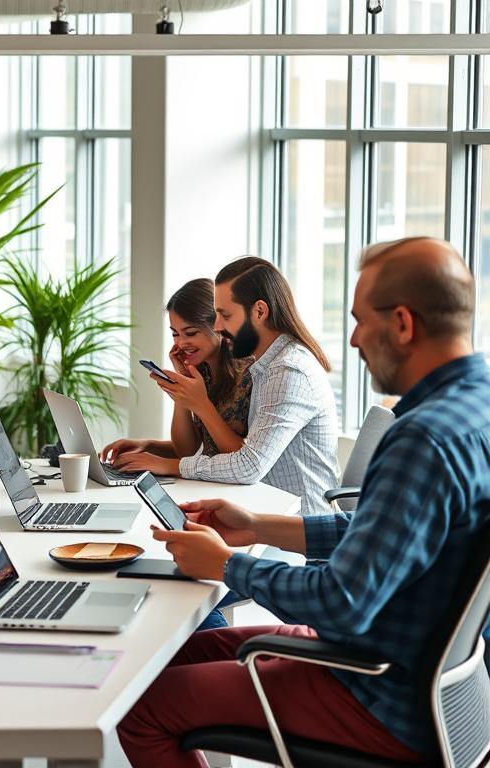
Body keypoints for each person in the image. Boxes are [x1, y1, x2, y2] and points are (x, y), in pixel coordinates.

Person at [117, 237, 489, 766]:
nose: (355, 339)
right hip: (423, 678)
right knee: (171, 654)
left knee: (141, 704)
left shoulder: (423, 439)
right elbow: (382, 532)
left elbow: (342, 601)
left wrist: (228, 565)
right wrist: (260, 526)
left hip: (377, 689)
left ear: (403, 324)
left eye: (362, 321)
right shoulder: (474, 408)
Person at [116, 257, 338, 516]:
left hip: (299, 526)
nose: (218, 327)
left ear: (259, 312)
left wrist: (171, 464)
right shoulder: (268, 366)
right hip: (263, 510)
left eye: (225, 315)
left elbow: (248, 466)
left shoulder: (288, 371)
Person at [101, 278, 253, 468]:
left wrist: (201, 404)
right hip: (210, 485)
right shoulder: (202, 372)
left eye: (190, 333)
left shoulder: (251, 372)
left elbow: (244, 460)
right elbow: (186, 450)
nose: (180, 343)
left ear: (218, 326)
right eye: (175, 334)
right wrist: (147, 445)